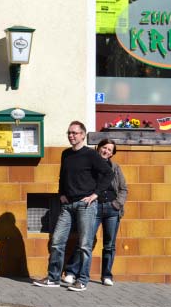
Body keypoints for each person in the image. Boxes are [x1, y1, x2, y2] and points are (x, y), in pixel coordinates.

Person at [33, 121, 113, 291]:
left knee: (84, 244)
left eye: (75, 133)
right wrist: (61, 193)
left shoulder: (91, 155)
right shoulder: (65, 154)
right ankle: (53, 278)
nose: (71, 136)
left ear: (83, 135)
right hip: (67, 206)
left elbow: (108, 173)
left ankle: (82, 280)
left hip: (86, 205)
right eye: (69, 133)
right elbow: (62, 176)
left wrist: (96, 194)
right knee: (57, 241)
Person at [63, 138, 128, 287]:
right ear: (98, 148)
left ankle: (106, 275)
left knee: (109, 244)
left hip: (112, 209)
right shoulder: (90, 164)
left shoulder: (115, 168)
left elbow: (124, 189)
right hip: (94, 207)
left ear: (112, 154)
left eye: (109, 150)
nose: (106, 151)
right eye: (104, 147)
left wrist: (117, 204)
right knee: (85, 240)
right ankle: (71, 272)